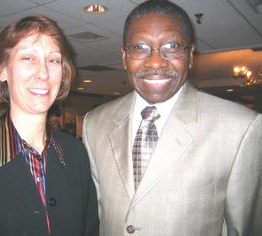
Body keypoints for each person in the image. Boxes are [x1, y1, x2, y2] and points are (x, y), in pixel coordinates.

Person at [82, 0, 262, 235]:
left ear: (190, 55)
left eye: (172, 46)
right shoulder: (94, 123)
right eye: (139, 47)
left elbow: (244, 229)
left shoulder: (241, 128)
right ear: (124, 56)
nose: (155, 62)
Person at [0, 15, 99, 236]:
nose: (43, 73)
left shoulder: (77, 155)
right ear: (2, 71)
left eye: (53, 60)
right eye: (28, 58)